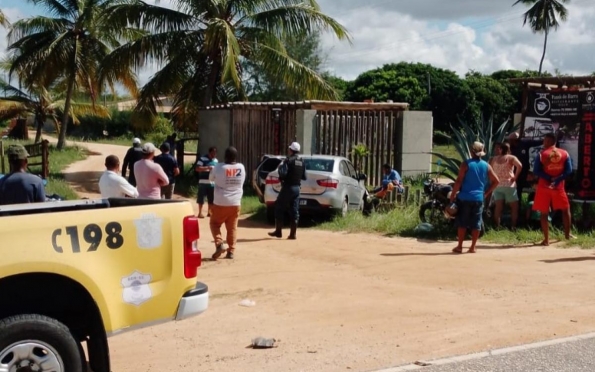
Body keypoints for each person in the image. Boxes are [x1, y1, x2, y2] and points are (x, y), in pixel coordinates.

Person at [450, 142, 500, 254]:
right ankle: (473, 247)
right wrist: (486, 193)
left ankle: (460, 246)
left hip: (464, 198)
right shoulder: (486, 166)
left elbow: (459, 181)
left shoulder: (466, 164)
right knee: (476, 222)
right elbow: (496, 181)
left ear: (472, 151)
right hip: (478, 199)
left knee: (462, 222)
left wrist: (453, 195)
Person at [532, 132, 573, 246]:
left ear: (549, 141)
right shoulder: (565, 153)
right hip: (558, 187)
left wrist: (549, 178)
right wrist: (558, 179)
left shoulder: (541, 154)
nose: (543, 142)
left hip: (544, 187)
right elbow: (568, 171)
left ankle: (546, 240)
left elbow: (536, 171)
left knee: (544, 213)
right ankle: (567, 235)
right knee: (566, 210)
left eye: (545, 140)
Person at [209, 147, 246, 260]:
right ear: (236, 157)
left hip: (220, 202)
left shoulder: (218, 167)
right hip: (235, 203)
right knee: (232, 228)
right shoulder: (241, 167)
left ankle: (219, 244)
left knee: (214, 224)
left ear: (225, 156)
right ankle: (231, 251)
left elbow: (211, 178)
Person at [268, 142, 306, 240]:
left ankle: (278, 232)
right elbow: (304, 176)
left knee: (279, 207)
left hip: (288, 187)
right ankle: (293, 234)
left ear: (291, 150)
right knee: (294, 210)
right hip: (297, 188)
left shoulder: (288, 160)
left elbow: (282, 173)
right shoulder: (302, 161)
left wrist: (281, 169)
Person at [488, 142, 523, 229]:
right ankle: (513, 226)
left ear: (500, 149)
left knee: (498, 207)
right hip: (509, 185)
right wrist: (515, 177)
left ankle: (497, 226)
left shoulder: (494, 159)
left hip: (497, 186)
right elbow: (520, 166)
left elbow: (490, 170)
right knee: (514, 207)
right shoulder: (511, 158)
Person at [195, 147, 218, 218]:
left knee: (211, 198)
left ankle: (209, 212)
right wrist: (207, 167)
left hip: (212, 182)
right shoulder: (202, 159)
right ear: (209, 152)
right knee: (201, 198)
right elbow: (197, 168)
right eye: (212, 153)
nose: (214, 154)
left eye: (215, 153)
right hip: (203, 182)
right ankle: (200, 213)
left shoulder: (216, 161)